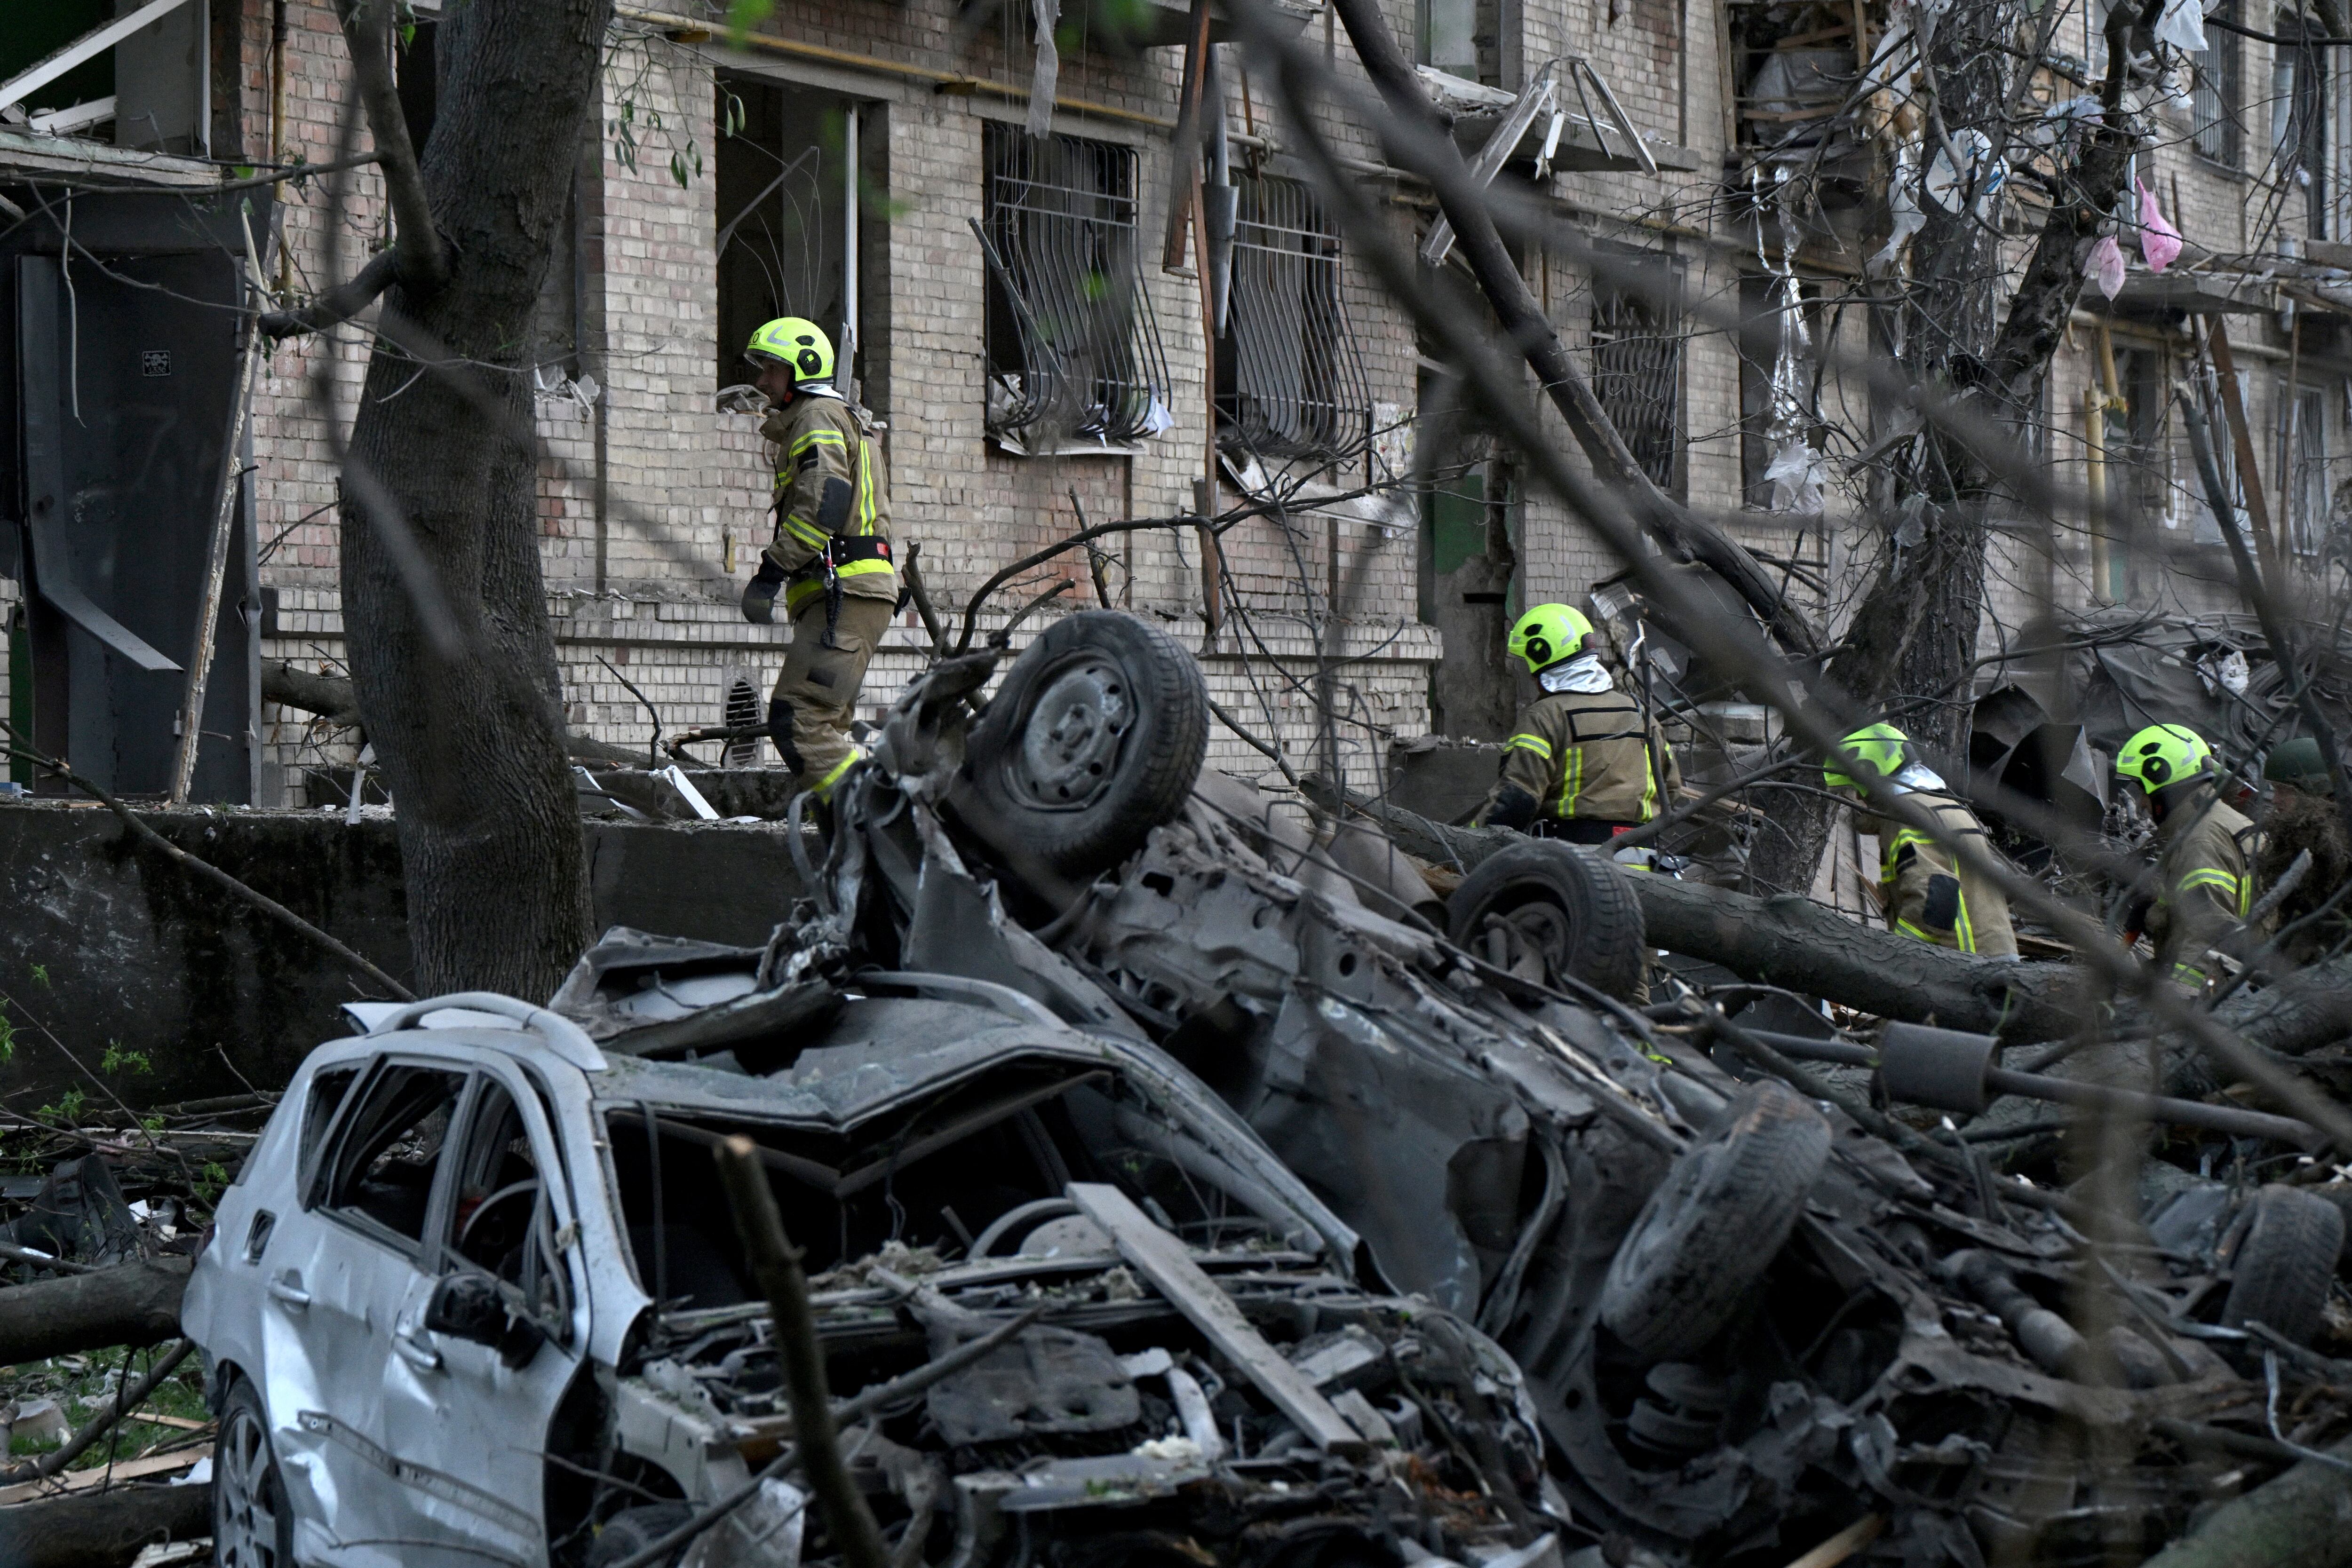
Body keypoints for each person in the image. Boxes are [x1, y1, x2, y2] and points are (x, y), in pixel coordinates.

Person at [739, 317, 896, 804]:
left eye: (772, 368)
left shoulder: (818, 417)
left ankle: (875, 815)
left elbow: (824, 502)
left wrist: (771, 572)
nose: (762, 380)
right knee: (824, 726)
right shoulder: (838, 417)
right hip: (850, 596)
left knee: (800, 721)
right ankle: (846, 825)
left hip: (844, 597)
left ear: (803, 369)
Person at [1475, 603, 1679, 850]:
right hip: (1644, 859)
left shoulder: (1545, 716)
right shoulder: (1641, 714)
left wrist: (1473, 842)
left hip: (1569, 859)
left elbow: (1518, 799)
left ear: (1542, 657)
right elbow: (1671, 789)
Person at [1824, 721, 2018, 958]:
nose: (1852, 801)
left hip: (1963, 961)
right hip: (1997, 956)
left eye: (1852, 790)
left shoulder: (1905, 817)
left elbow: (1934, 900)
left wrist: (1894, 955)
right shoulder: (1944, 805)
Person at [2113, 722, 2263, 989]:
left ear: (2164, 786)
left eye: (2143, 791)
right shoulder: (2218, 820)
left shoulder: (2200, 841)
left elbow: (2209, 937)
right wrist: (2156, 909)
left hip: (2227, 995)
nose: (2142, 804)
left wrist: (2178, 998)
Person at [2253, 736, 2347, 968]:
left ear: (2316, 789)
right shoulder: (2299, 836)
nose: (2276, 800)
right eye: (2275, 790)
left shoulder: (2333, 849)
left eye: (2285, 791)